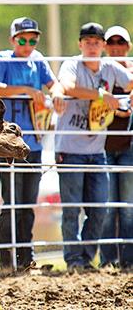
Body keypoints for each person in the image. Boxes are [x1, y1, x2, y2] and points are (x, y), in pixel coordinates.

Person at [0, 17, 65, 271]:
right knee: (12, 201)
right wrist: (27, 90)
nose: (28, 44)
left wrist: (58, 92)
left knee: (28, 202)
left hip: (34, 144)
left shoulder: (38, 60)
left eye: (33, 40)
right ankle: (7, 259)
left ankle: (25, 257)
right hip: (7, 143)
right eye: (23, 39)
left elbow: (54, 83)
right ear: (13, 40)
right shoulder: (2, 58)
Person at [56, 22, 133, 271]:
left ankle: (86, 258)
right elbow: (68, 86)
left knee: (100, 208)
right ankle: (73, 260)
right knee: (71, 210)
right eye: (87, 42)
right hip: (70, 149)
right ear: (80, 45)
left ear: (102, 46)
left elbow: (130, 82)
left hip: (96, 152)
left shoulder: (110, 66)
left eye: (96, 42)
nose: (92, 46)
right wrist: (102, 96)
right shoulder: (72, 64)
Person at [99, 25, 133, 269]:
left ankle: (129, 261)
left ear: (128, 47)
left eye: (121, 43)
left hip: (128, 146)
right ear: (105, 46)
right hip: (102, 146)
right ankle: (108, 260)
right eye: (112, 43)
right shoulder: (99, 72)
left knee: (128, 208)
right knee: (108, 207)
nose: (116, 47)